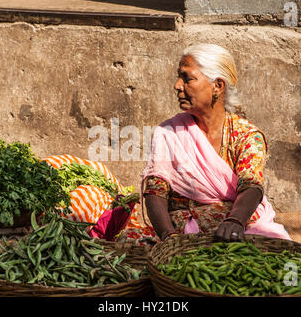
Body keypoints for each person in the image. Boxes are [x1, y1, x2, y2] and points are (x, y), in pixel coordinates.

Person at [116, 43, 290, 245]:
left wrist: (235, 221)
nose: (177, 85)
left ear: (218, 86)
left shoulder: (246, 135)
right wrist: (169, 237)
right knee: (128, 243)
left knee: (265, 245)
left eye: (187, 78)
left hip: (229, 226)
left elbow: (251, 185)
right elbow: (155, 191)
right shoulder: (168, 133)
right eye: (179, 77)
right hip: (177, 230)